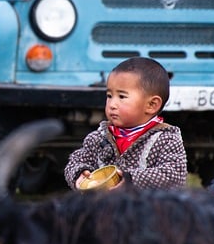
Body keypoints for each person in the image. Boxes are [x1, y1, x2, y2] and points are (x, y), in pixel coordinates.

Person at [64, 57, 187, 190]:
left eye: (122, 97)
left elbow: (174, 176)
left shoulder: (166, 140)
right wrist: (79, 174)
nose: (112, 104)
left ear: (151, 105)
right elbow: (76, 161)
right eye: (109, 96)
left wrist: (130, 179)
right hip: (107, 209)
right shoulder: (98, 137)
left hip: (148, 209)